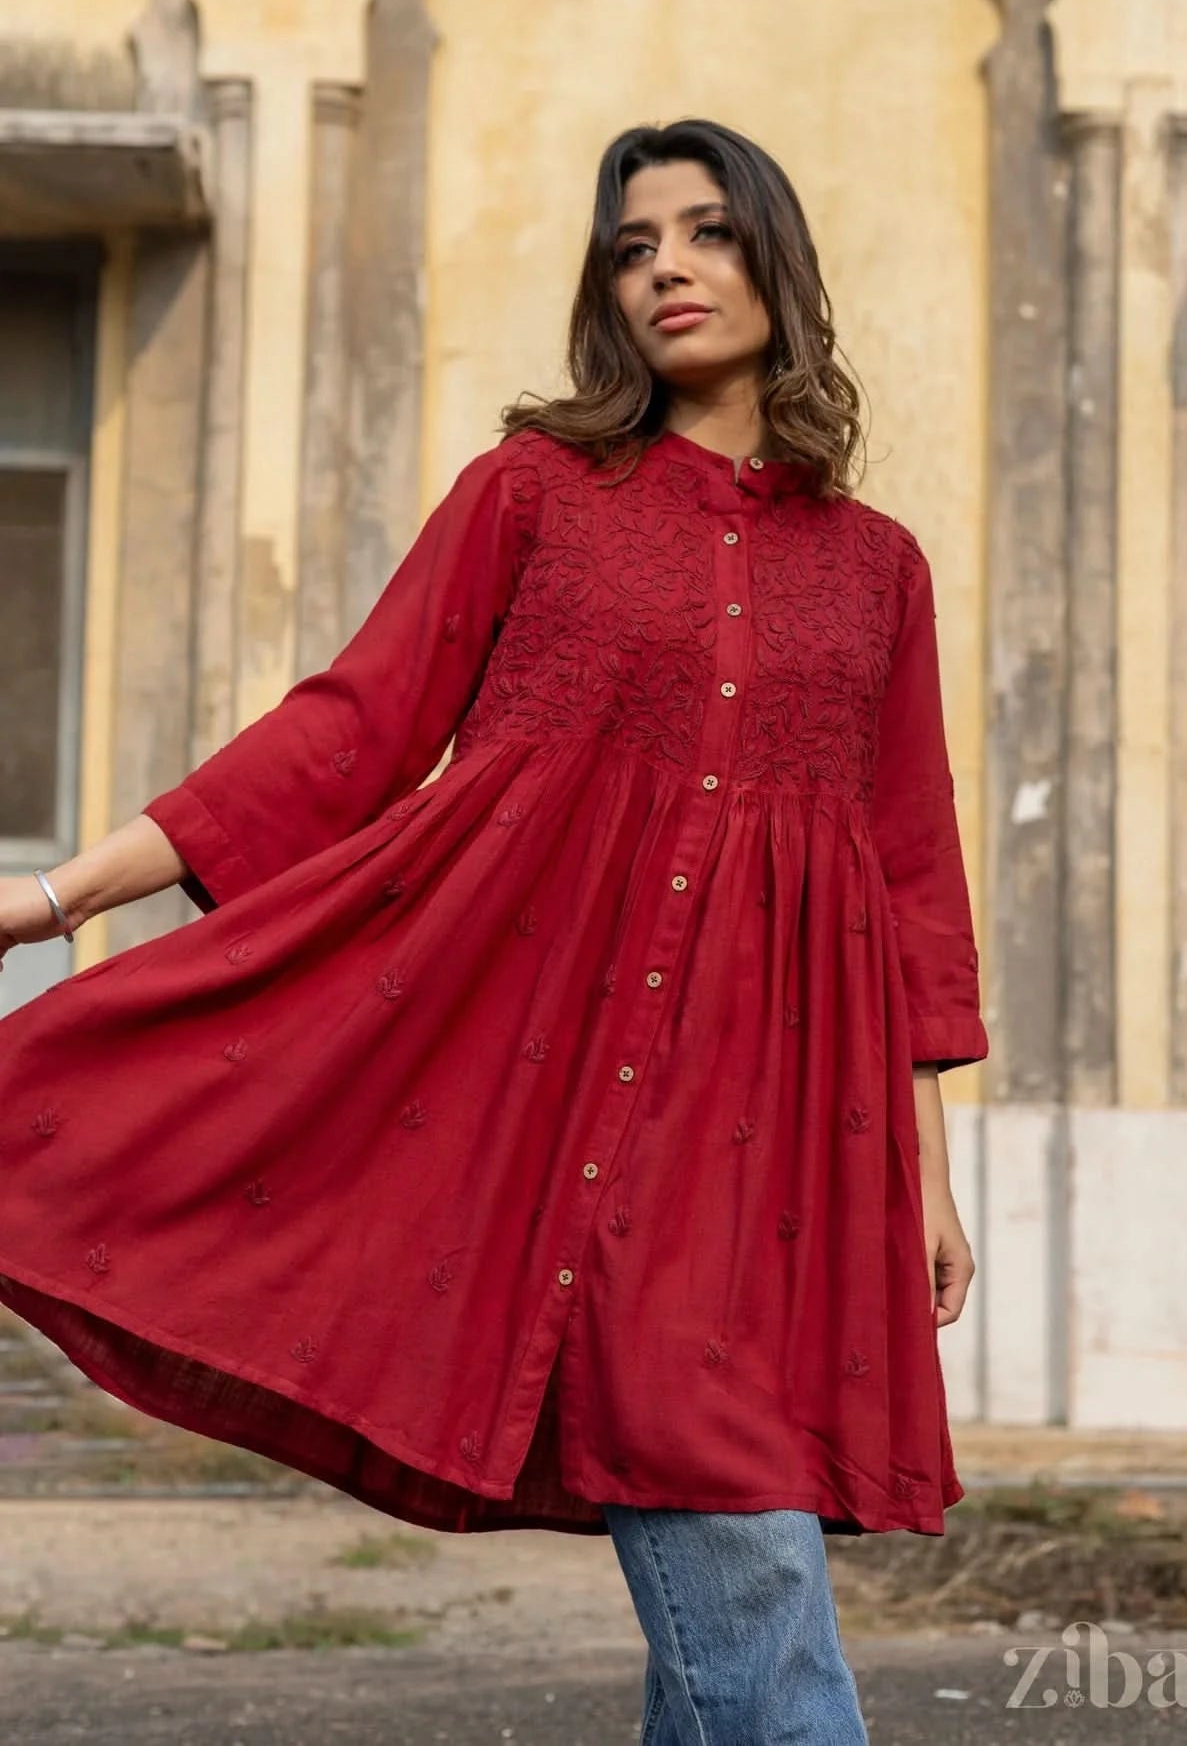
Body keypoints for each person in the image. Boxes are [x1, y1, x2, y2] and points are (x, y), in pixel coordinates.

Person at [0, 117, 986, 1743]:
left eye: (707, 231)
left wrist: (925, 1163)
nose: (666, 264)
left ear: (779, 265)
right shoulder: (538, 491)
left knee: (734, 1574)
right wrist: (53, 898)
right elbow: (346, 733)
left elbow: (908, 872)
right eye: (632, 244)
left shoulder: (879, 571)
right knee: (748, 1573)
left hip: (775, 1131)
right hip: (553, 1116)